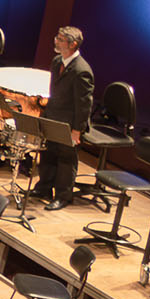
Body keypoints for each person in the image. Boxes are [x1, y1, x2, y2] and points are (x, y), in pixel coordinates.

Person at [38, 25, 96, 205]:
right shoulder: (57, 62)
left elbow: (84, 104)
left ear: (73, 45)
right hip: (53, 115)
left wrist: (77, 130)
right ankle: (44, 188)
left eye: (61, 39)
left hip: (70, 123)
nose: (56, 40)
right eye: (57, 37)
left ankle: (62, 196)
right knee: (48, 154)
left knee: (65, 160)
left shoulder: (82, 71)